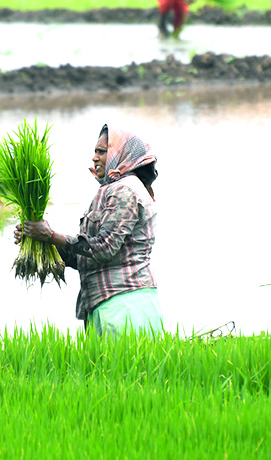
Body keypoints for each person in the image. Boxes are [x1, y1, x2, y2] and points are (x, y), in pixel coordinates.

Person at [16, 125, 162, 335]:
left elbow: (104, 248)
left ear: (120, 153)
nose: (94, 158)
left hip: (125, 305)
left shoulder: (125, 190)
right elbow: (87, 257)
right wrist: (40, 239)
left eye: (102, 151)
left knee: (126, 367)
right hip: (104, 303)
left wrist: (50, 235)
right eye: (95, 151)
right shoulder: (109, 189)